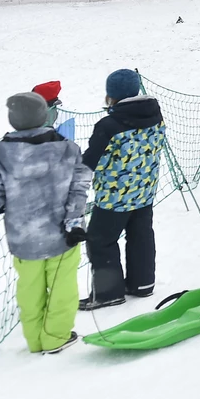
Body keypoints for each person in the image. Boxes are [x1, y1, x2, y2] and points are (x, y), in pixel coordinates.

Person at [0, 92, 92, 353]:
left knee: (29, 289)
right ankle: (56, 336)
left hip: (24, 241)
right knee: (63, 288)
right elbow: (79, 186)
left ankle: (35, 339)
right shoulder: (67, 149)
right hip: (63, 236)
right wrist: (74, 222)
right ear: (44, 116)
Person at [79, 69, 166, 310]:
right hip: (145, 190)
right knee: (141, 235)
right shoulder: (154, 115)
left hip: (114, 196)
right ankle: (142, 283)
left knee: (100, 240)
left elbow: (90, 160)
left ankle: (108, 294)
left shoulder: (109, 125)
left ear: (112, 95)